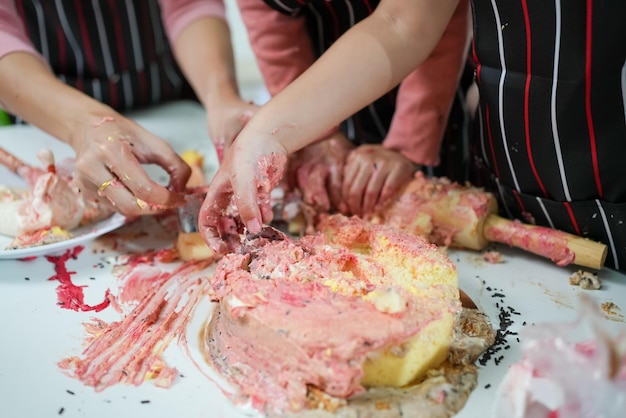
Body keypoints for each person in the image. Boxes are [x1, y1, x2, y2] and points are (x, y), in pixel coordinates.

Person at [199, 0, 626, 272]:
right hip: (520, 166)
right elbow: (401, 24)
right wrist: (288, 133)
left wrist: (409, 143)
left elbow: (426, 26)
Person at [0, 0, 257, 216]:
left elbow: (188, 4)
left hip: (169, 97)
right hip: (47, 119)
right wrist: (81, 124)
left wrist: (221, 95)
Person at [235, 0, 470, 217]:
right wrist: (316, 136)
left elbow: (425, 20)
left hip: (429, 102)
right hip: (318, 94)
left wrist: (407, 144)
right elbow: (272, 30)